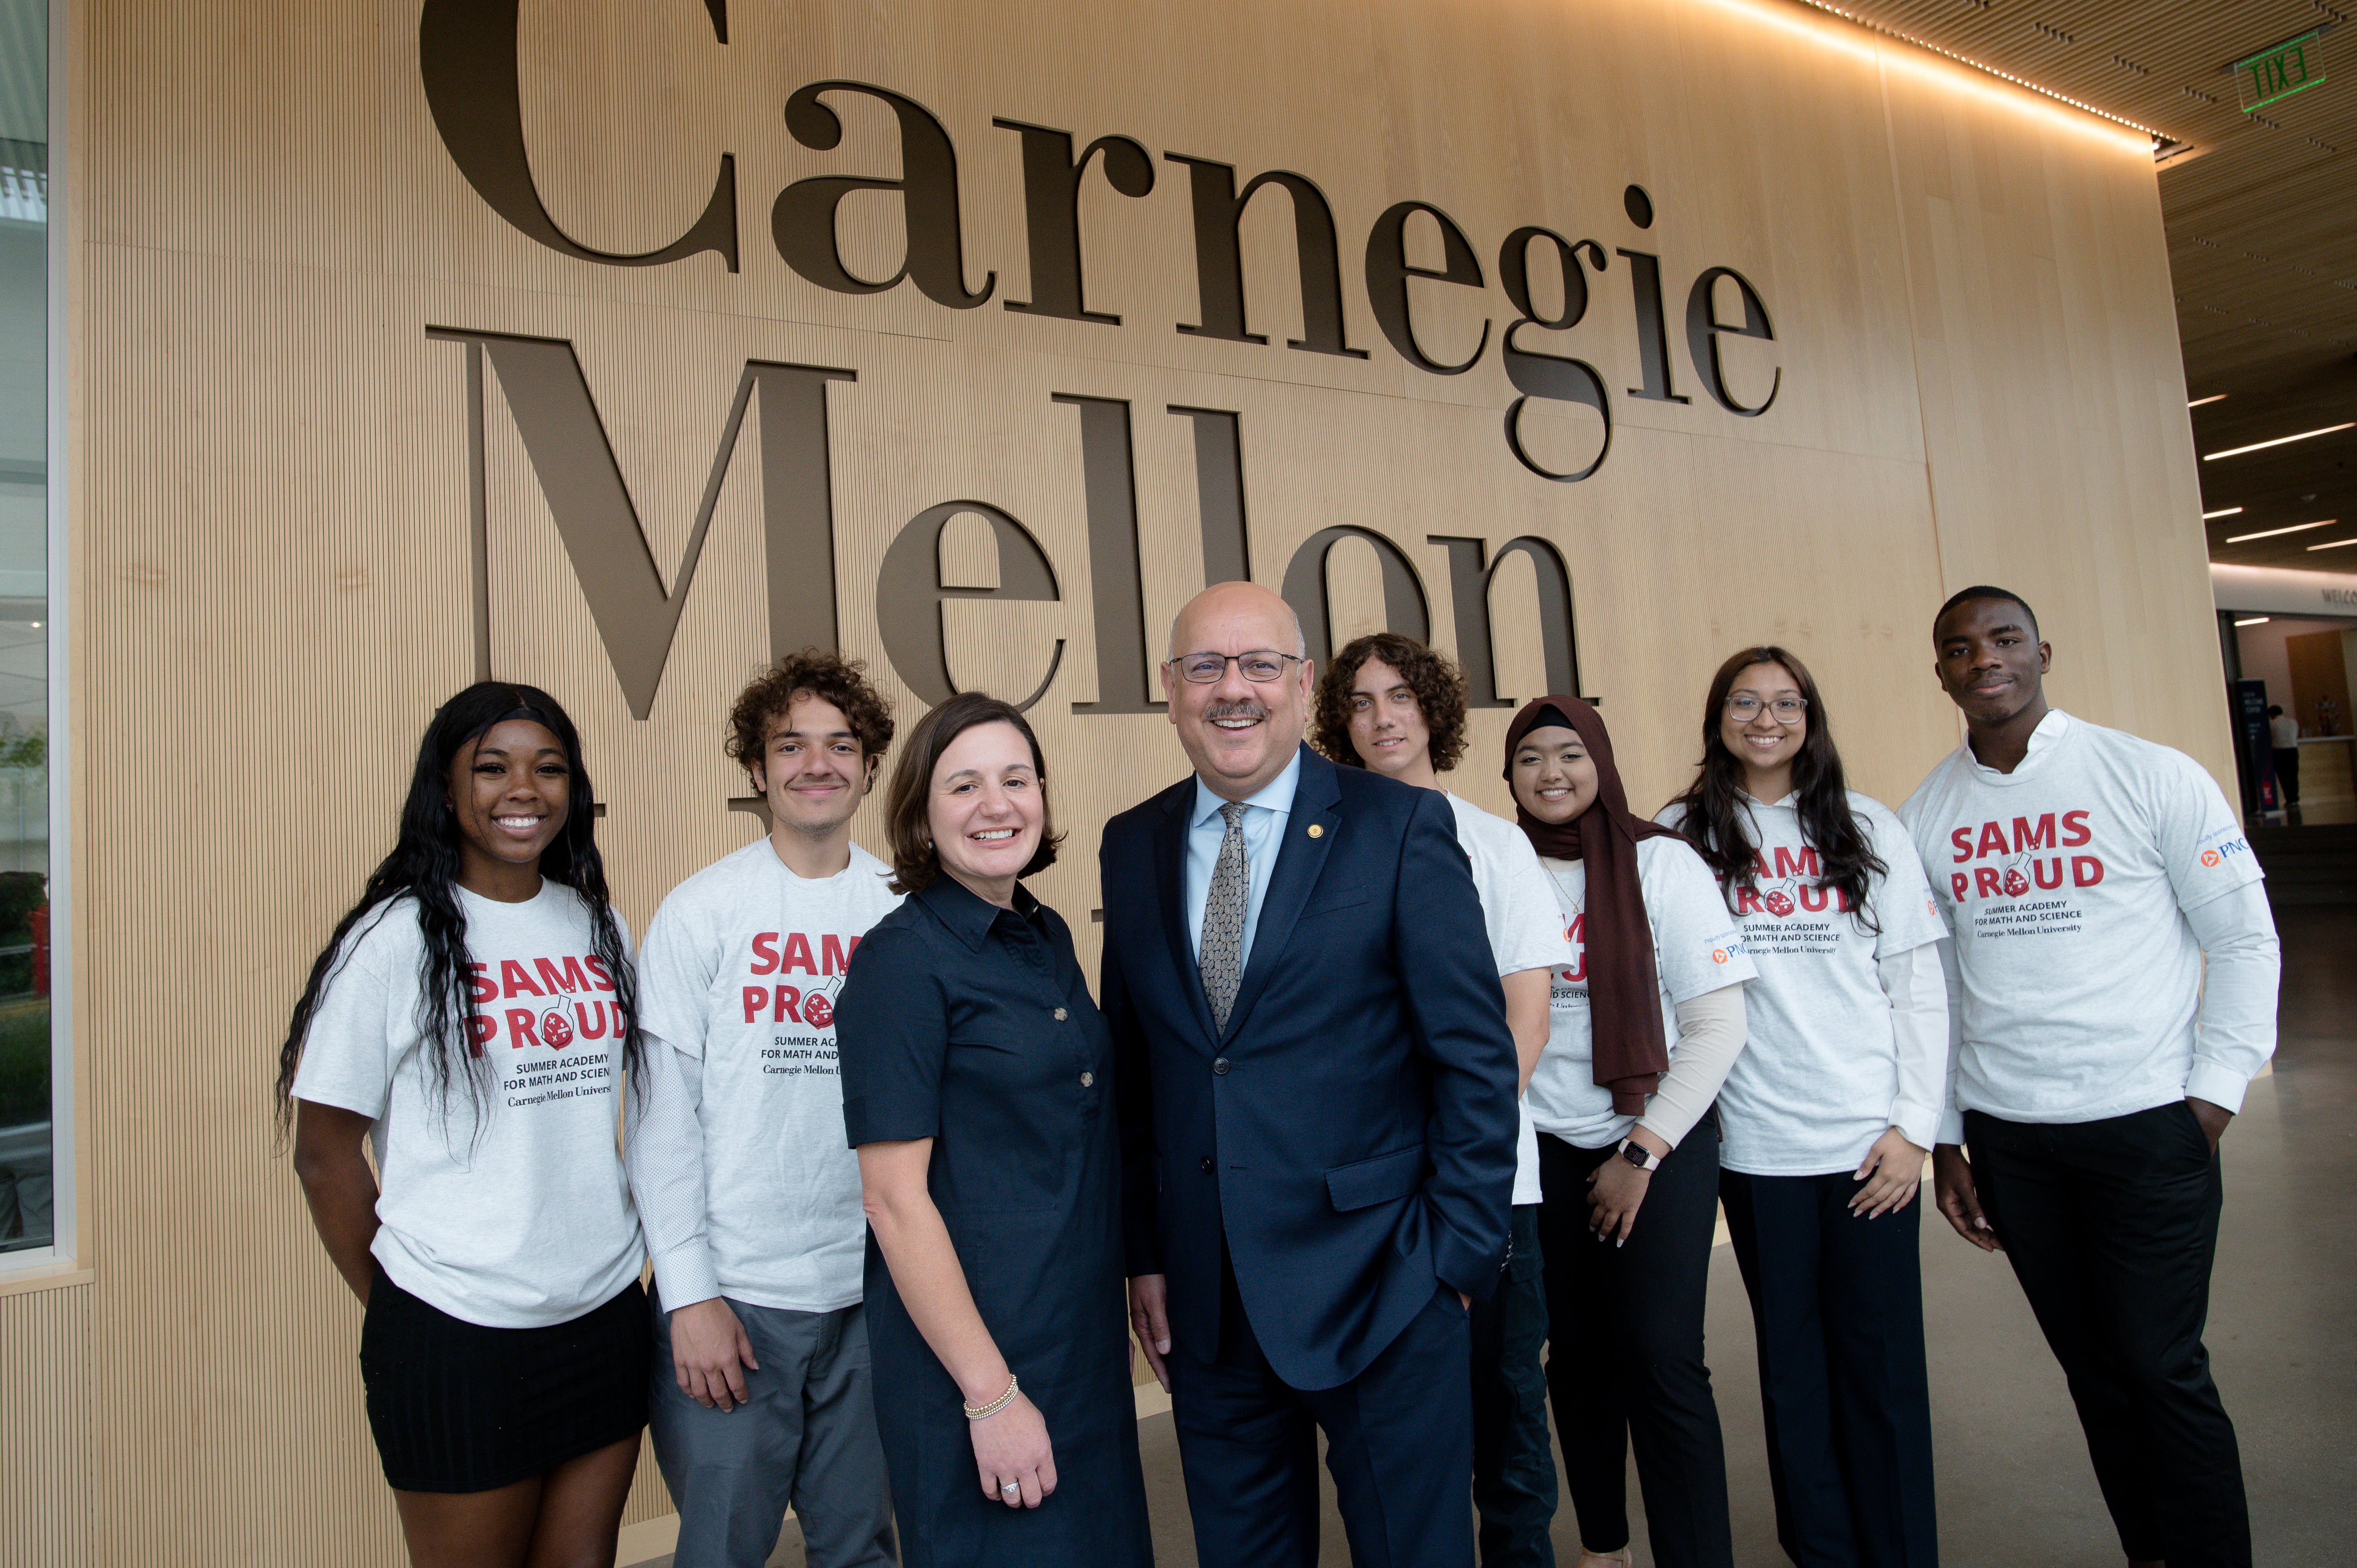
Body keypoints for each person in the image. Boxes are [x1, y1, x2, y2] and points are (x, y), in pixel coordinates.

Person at [1105, 581, 1520, 1568]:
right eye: (1205, 666)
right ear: (1170, 690)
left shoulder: (1400, 829)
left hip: (1385, 1280)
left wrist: (1452, 1259)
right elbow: (1138, 1071)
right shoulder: (1133, 843)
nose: (1231, 690)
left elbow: (1474, 1058)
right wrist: (1146, 1256)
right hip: (1209, 1304)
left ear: (1298, 687)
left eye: (1258, 666)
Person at [1902, 587, 2279, 1568]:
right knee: (2094, 1372)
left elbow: (2241, 935)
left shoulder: (2147, 774)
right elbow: (1931, 992)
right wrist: (1947, 1135)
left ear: (2043, 652)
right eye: (1960, 647)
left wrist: (2212, 1094)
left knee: (2161, 1368)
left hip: (2151, 1123)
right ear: (1938, 670)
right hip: (2015, 1141)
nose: (1984, 658)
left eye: (2005, 639)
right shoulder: (1926, 816)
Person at [277, 683, 652, 1568]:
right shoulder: (395, 939)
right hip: (457, 1335)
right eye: (492, 767)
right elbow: (324, 1156)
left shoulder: (597, 925)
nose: (523, 788)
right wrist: (412, 1307)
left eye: (547, 767)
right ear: (447, 790)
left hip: (602, 1318)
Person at [834, 692, 1151, 1568]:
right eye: (964, 785)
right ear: (920, 815)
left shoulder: (1042, 934)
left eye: (1015, 779)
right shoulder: (900, 962)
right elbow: (893, 1202)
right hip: (975, 1363)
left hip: (1077, 1346)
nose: (996, 804)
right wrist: (989, 1396)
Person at [1659, 648, 1948, 1568]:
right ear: (1718, 719)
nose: (1766, 718)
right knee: (1792, 1373)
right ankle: (1822, 1551)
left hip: (1870, 1147)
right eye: (1745, 702)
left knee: (1883, 1372)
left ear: (1810, 717)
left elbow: (1917, 989)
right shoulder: (1681, 835)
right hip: (1755, 1149)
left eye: (1785, 702)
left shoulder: (1866, 827)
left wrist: (1913, 1130)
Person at [627, 651, 901, 1568]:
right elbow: (663, 1121)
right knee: (720, 1553)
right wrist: (690, 1291)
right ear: (756, 767)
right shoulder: (701, 911)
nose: (816, 763)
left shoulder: (905, 911)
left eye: (840, 744)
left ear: (868, 765)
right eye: (791, 745)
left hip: (875, 1290)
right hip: (735, 1302)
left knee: (861, 1548)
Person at [1312, 631, 1565, 1568]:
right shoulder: (1322, 848)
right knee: (1400, 1433)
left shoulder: (1495, 846)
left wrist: (1451, 1158)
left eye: (1400, 698)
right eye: (1362, 702)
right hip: (1370, 1198)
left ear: (1434, 713)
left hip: (1488, 1188)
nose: (1382, 718)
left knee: (1504, 1419)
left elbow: (1522, 1028)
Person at [1509, 694, 1753, 1568]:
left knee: (1659, 1357)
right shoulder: (1497, 867)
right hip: (1539, 1148)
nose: (1551, 772)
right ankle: (1603, 1546)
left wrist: (1640, 1151)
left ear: (1601, 763)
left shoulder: (1662, 864)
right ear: (1509, 775)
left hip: (1657, 1140)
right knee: (1572, 1357)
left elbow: (1718, 1024)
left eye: (1570, 753)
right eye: (1530, 756)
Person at [2267, 704, 2300, 807]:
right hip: (2293, 751)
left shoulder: (2272, 724)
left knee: (2283, 777)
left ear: (2272, 714)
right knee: (2293, 775)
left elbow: (2270, 738)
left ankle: (2289, 799)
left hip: (2280, 752)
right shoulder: (2293, 722)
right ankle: (2295, 797)